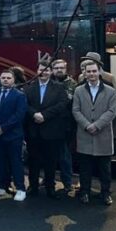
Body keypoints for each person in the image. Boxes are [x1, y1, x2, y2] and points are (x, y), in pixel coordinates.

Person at [71, 60, 116, 205]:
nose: (91, 74)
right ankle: (85, 192)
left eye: (94, 71)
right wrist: (87, 125)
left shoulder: (111, 91)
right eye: (88, 71)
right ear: (85, 74)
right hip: (84, 134)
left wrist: (97, 125)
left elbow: (111, 112)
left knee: (105, 168)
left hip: (103, 134)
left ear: (99, 72)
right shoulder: (78, 91)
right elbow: (75, 110)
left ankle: (105, 193)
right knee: (85, 167)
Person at [23, 62, 71, 199]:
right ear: (37, 71)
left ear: (50, 72)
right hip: (34, 131)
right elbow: (25, 104)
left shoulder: (59, 87)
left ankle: (50, 187)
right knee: (33, 161)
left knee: (51, 161)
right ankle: (33, 186)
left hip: (52, 130)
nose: (43, 72)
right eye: (41, 70)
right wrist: (34, 114)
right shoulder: (29, 88)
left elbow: (62, 104)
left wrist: (44, 115)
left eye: (46, 70)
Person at [0, 70, 28, 201]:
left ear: (13, 80)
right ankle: (1, 185)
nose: (6, 80)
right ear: (0, 79)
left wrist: (4, 127)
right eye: (3, 78)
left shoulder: (19, 95)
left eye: (8, 78)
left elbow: (19, 114)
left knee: (16, 161)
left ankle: (20, 188)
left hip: (13, 135)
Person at [50, 58, 77, 194]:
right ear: (52, 70)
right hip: (49, 123)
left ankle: (67, 182)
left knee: (64, 155)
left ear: (66, 69)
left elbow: (69, 101)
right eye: (56, 68)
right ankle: (48, 180)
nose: (59, 70)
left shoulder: (72, 84)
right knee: (48, 155)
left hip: (65, 124)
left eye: (61, 68)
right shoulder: (48, 82)